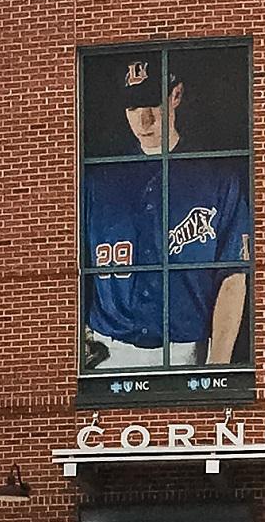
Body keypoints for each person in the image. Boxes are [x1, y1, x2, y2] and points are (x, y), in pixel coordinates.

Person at [83, 51, 250, 373]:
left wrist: (217, 367)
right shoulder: (98, 179)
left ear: (176, 95)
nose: (144, 120)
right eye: (132, 107)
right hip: (105, 350)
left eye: (152, 103)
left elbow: (232, 277)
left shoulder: (218, 175)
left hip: (187, 352)